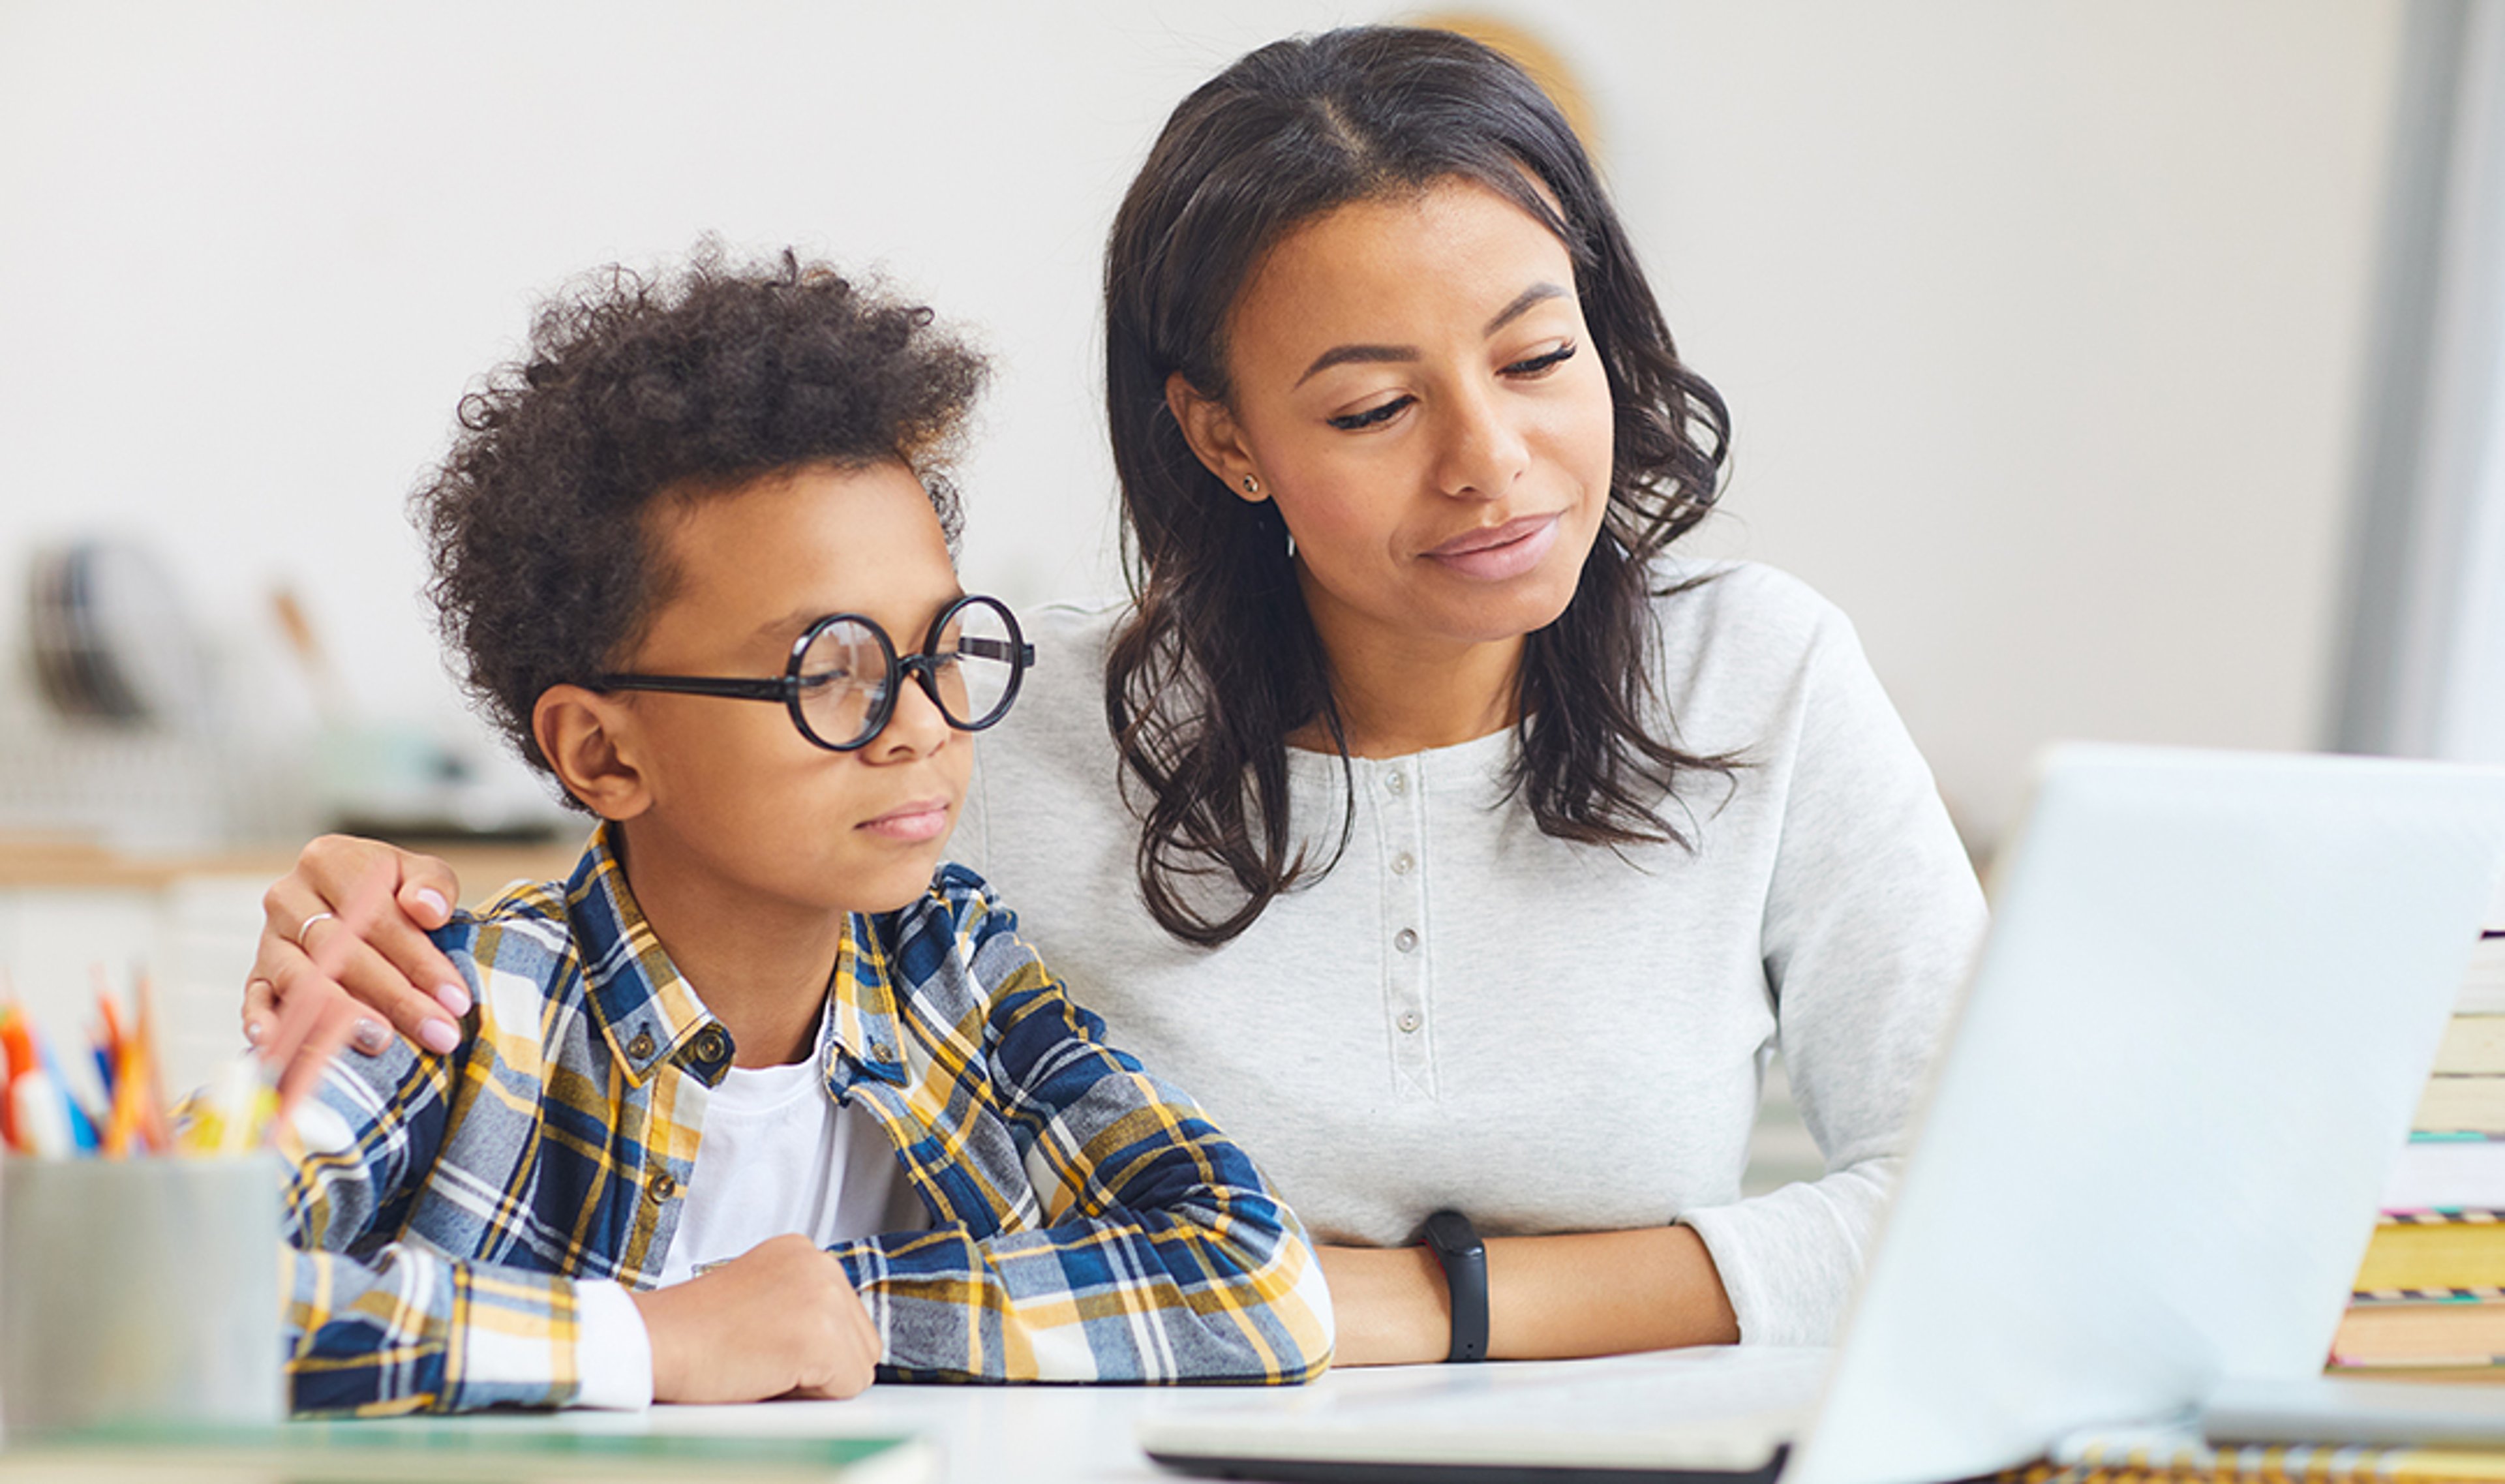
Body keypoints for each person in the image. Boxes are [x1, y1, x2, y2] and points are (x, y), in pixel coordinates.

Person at [248, 28, 1984, 1369]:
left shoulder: (1766, 676)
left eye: (1540, 357)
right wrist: (376, 911)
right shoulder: (997, 741)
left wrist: (1416, 1306)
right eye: (1374, 408)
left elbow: (1999, 1207)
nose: (1493, 460)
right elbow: (695, 851)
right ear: (1225, 437)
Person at [267, 247, 1331, 1416]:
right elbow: (152, 1294)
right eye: (827, 671)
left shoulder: (953, 975)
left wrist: (831, 1306)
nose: (920, 726)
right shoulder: (448, 1009)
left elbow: (1259, 1281)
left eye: (939, 648)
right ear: (603, 753)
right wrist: (649, 1341)